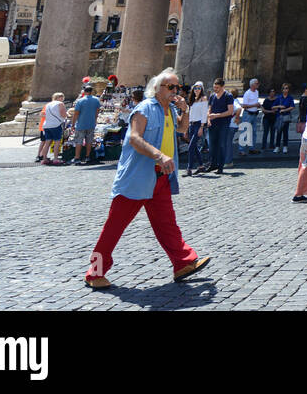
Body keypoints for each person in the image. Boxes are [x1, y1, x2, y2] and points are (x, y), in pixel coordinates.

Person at [84, 69, 210, 289]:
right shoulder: (144, 109)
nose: (175, 91)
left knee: (167, 224)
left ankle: (183, 263)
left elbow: (181, 129)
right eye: (170, 87)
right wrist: (159, 155)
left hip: (161, 178)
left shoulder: (170, 109)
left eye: (177, 87)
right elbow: (134, 138)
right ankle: (94, 273)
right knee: (114, 227)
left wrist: (186, 111)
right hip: (137, 178)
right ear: (157, 88)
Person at [205, 79, 235, 174]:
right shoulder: (212, 96)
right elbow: (209, 109)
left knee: (222, 145)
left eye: (217, 88)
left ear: (222, 87)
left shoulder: (228, 96)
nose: (215, 89)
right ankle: (213, 164)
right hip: (213, 124)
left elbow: (230, 111)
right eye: (214, 87)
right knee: (212, 145)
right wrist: (209, 119)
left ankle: (220, 166)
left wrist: (216, 115)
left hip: (223, 124)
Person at [72, 83, 101, 165]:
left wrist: (73, 124)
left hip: (81, 124)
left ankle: (77, 157)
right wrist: (95, 120)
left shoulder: (80, 101)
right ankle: (87, 156)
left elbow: (76, 113)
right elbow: (97, 112)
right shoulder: (96, 100)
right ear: (91, 91)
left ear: (84, 91)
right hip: (91, 123)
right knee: (89, 141)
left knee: (79, 141)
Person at [186, 82, 209, 175]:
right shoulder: (192, 99)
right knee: (194, 147)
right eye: (195, 88)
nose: (197, 90)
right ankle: (201, 166)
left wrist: (202, 127)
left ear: (202, 89)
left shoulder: (203, 99)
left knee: (191, 147)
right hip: (192, 124)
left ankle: (189, 168)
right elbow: (190, 114)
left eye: (199, 88)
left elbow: (204, 114)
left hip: (199, 124)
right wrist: (187, 127)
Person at [40, 92, 68, 166]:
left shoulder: (48, 104)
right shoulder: (60, 104)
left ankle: (44, 158)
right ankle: (55, 159)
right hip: (56, 125)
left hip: (47, 125)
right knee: (57, 142)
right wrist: (68, 115)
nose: (62, 99)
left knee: (47, 142)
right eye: (61, 97)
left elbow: (44, 114)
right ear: (58, 98)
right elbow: (63, 114)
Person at [240, 78, 262, 155]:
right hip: (248, 114)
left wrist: (257, 106)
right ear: (252, 85)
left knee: (254, 132)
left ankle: (251, 148)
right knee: (245, 132)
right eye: (257, 83)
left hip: (254, 113)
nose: (258, 84)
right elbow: (244, 106)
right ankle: (241, 149)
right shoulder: (247, 93)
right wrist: (255, 105)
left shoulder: (256, 92)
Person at [273, 83, 296, 154]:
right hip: (279, 117)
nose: (285, 90)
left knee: (285, 132)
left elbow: (292, 106)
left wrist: (285, 110)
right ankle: (277, 146)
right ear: (282, 89)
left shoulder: (290, 98)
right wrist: (280, 106)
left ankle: (285, 146)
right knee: (279, 131)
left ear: (288, 90)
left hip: (286, 116)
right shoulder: (279, 98)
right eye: (284, 88)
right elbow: (273, 107)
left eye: (286, 88)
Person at [261, 86, 280, 152]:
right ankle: (264, 145)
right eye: (271, 92)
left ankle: (271, 145)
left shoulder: (277, 100)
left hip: (274, 118)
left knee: (273, 132)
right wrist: (271, 111)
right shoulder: (266, 100)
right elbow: (263, 109)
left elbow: (279, 108)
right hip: (266, 118)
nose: (272, 93)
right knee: (265, 132)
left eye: (273, 92)